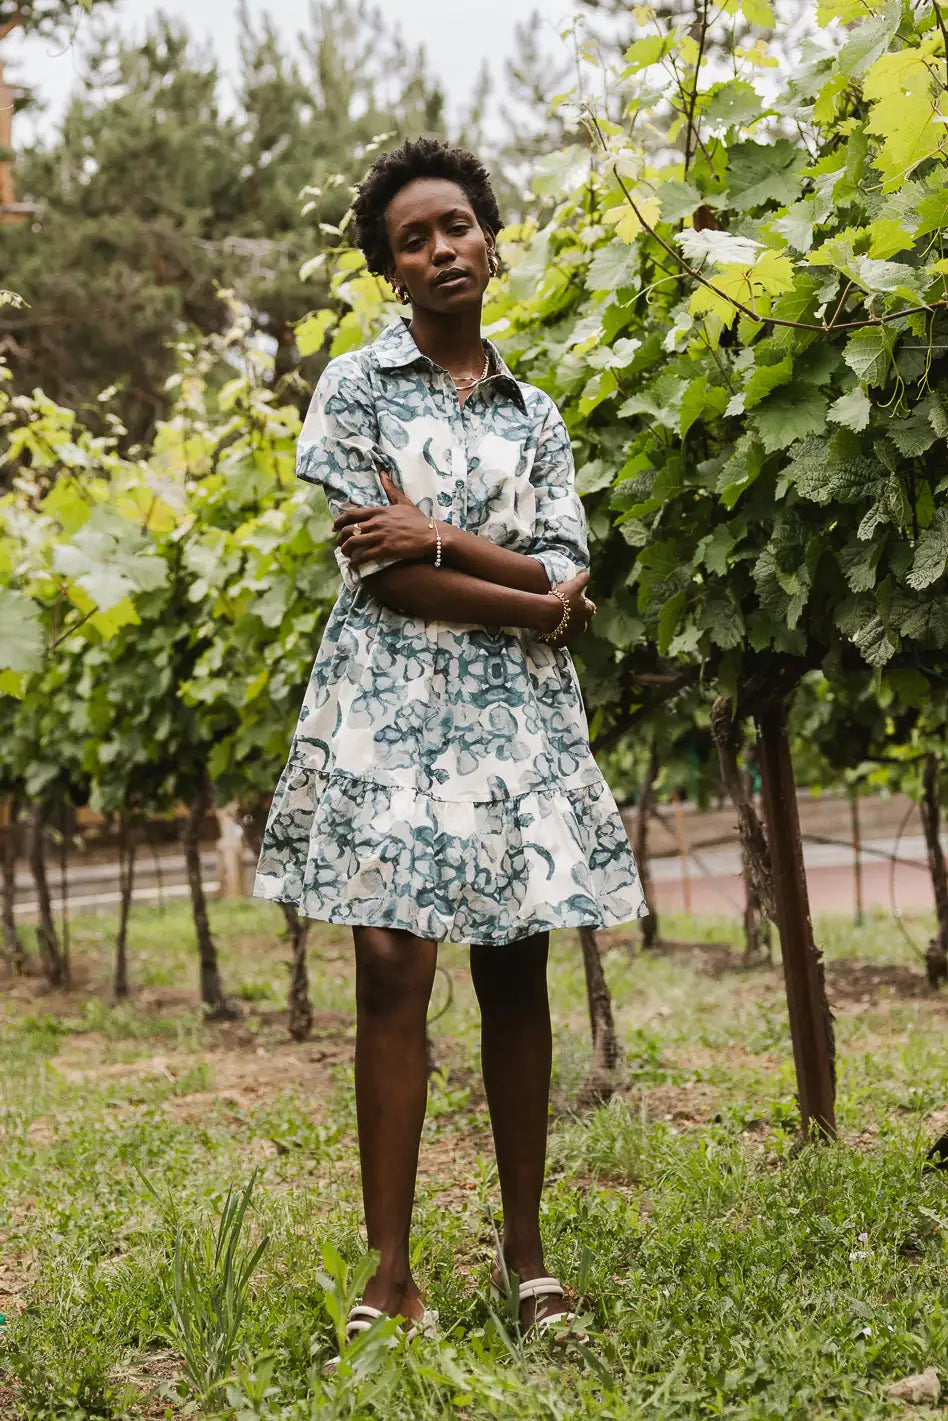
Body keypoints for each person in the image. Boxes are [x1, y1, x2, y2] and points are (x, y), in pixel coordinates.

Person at [254, 137, 647, 1350]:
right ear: (390, 268)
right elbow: (388, 578)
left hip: (512, 719)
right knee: (389, 961)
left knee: (515, 958)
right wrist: (529, 595)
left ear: (490, 237)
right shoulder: (356, 388)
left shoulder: (538, 411)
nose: (444, 248)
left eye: (460, 225)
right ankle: (390, 1271)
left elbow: (577, 563)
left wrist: (449, 537)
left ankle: (528, 1260)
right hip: (388, 699)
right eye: (415, 237)